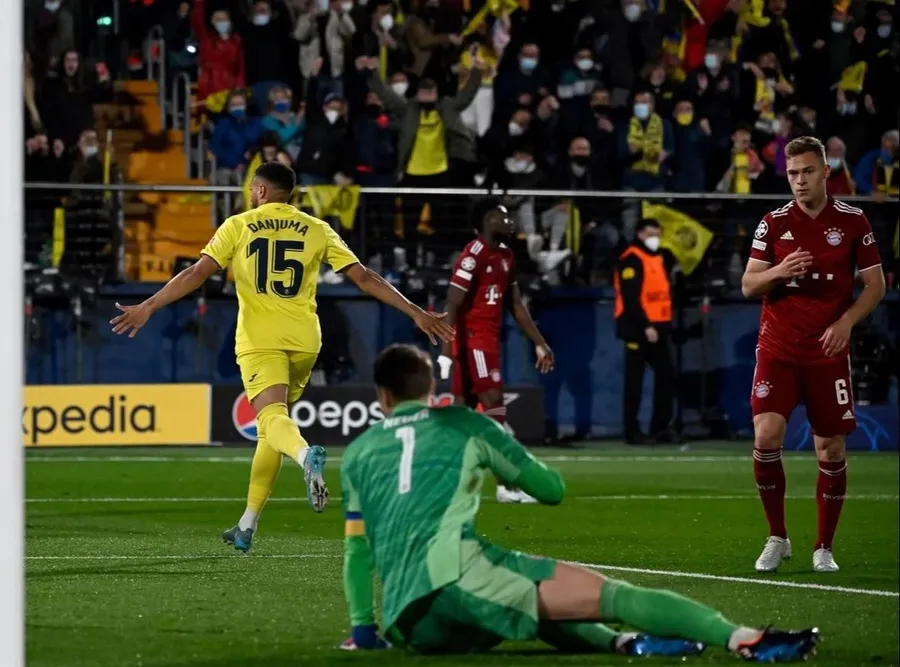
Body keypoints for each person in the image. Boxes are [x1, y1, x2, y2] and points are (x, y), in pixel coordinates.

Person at [337, 343, 820, 661]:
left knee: (533, 600)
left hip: (413, 624)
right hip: (458, 578)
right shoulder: (466, 423)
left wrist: (363, 631)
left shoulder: (357, 452)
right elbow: (551, 491)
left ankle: (624, 643)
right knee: (611, 595)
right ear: (432, 389)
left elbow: (356, 553)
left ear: (382, 395)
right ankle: (746, 639)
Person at [110, 162, 453, 552]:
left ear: (258, 190)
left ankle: (306, 455)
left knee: (273, 419)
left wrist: (150, 306)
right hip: (305, 341)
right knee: (270, 427)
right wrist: (416, 312)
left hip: (261, 339)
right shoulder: (317, 228)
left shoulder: (238, 225)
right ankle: (246, 525)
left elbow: (197, 273)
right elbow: (365, 278)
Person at [742, 136, 885, 574]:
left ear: (826, 172)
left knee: (831, 449)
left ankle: (823, 546)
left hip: (826, 351)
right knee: (766, 435)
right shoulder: (773, 222)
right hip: (778, 347)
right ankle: (777, 536)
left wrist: (845, 323)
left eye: (806, 172)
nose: (799, 181)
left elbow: (876, 285)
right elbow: (748, 284)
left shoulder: (854, 221)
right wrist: (780, 271)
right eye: (792, 174)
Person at [437, 198, 554, 504]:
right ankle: (507, 485)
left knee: (461, 415)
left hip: (488, 341)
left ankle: (441, 480)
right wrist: (447, 352)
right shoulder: (473, 255)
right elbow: (452, 302)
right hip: (474, 341)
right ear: (488, 220)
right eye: (504, 217)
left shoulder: (505, 256)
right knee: (495, 410)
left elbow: (515, 304)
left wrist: (539, 342)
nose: (510, 222)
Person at [613, 219, 676, 445]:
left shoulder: (658, 258)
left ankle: (659, 428)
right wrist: (646, 325)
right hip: (638, 330)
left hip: (658, 328)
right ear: (640, 234)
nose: (655, 238)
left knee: (666, 378)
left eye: (657, 234)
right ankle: (632, 431)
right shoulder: (631, 259)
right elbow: (631, 299)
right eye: (651, 234)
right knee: (634, 384)